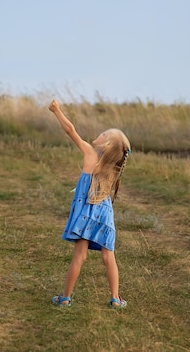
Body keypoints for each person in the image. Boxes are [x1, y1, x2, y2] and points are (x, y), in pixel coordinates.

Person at [48, 99, 131, 308]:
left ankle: (65, 298)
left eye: (105, 134)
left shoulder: (89, 154)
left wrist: (57, 111)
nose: (101, 134)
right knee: (108, 256)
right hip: (104, 215)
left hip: (85, 213)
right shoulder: (113, 167)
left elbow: (70, 130)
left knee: (80, 256)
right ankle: (115, 298)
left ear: (106, 145)